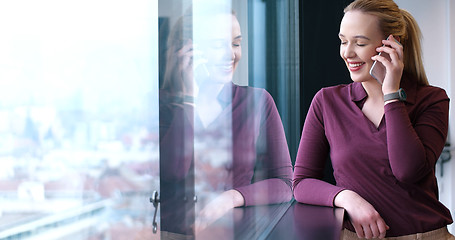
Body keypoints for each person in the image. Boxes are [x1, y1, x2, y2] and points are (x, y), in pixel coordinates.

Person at [293, 0, 454, 239]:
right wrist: (347, 198)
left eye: (360, 43)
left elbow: (407, 170)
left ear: (392, 45)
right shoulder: (327, 101)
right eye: (343, 41)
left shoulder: (432, 99)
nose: (347, 53)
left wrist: (392, 95)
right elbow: (301, 183)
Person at [159, 3, 293, 237]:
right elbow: (172, 171)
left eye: (236, 43)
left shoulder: (257, 101)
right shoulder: (161, 106)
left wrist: (232, 197)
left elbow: (286, 184)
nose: (231, 54)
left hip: (235, 233)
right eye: (217, 45)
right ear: (188, 49)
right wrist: (189, 99)